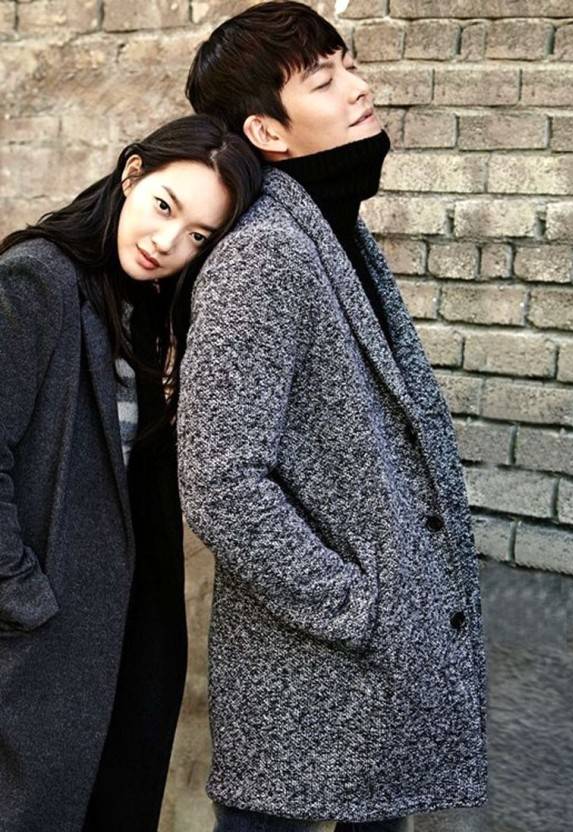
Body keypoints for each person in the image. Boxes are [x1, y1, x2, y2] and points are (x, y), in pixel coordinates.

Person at [178, 2, 488, 831]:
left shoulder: (334, 231)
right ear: (266, 132)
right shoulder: (264, 254)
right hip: (313, 668)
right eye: (323, 80)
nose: (357, 88)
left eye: (349, 65)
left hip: (364, 677)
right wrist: (359, 605)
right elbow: (219, 483)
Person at [0, 114, 261, 832]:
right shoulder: (37, 280)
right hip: (45, 637)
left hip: (126, 635)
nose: (166, 243)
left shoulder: (143, 308)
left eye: (198, 237)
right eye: (164, 206)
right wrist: (22, 598)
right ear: (132, 174)